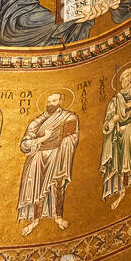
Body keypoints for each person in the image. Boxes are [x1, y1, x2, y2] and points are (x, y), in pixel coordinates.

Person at [18, 93, 80, 235]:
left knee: (58, 184)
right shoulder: (37, 122)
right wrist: (42, 139)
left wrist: (65, 142)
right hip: (38, 156)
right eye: (49, 101)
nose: (51, 104)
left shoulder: (69, 117)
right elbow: (24, 144)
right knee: (36, 187)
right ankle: (35, 220)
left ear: (60, 101)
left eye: (54, 101)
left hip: (58, 154)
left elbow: (73, 137)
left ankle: (58, 216)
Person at [100, 65, 131, 208]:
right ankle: (121, 190)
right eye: (122, 78)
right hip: (119, 130)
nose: (124, 80)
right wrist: (112, 121)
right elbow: (107, 122)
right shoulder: (116, 98)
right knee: (119, 160)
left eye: (126, 77)